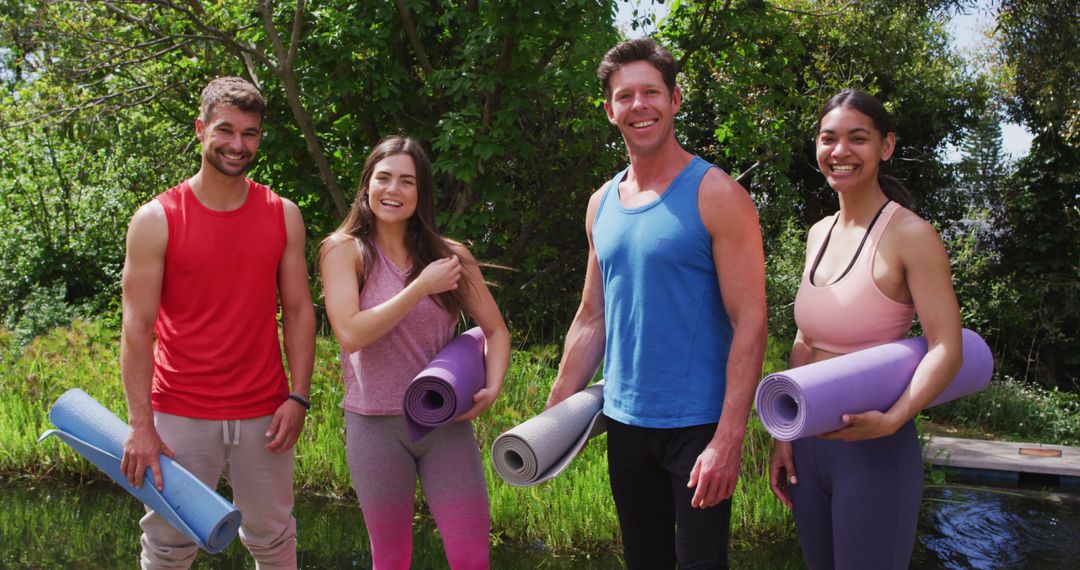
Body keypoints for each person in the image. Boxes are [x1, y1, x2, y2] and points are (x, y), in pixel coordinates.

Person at [545, 38, 767, 569]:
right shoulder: (601, 203)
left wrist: (728, 440)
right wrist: (554, 413)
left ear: (674, 100)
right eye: (625, 96)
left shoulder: (718, 195)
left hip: (697, 428)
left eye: (651, 92)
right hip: (624, 423)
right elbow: (591, 317)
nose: (639, 105)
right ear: (609, 110)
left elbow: (751, 322)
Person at [119, 76, 315, 569]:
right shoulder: (156, 219)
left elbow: (298, 311)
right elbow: (136, 328)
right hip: (179, 414)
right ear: (200, 128)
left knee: (273, 540)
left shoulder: (282, 214)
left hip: (265, 412)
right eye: (226, 130)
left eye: (250, 134)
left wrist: (299, 396)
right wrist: (141, 424)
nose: (237, 144)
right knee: (168, 544)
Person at [768, 89, 964, 569]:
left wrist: (895, 418)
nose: (840, 152)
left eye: (858, 138)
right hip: (808, 445)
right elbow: (805, 340)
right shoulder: (819, 232)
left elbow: (947, 347)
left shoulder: (911, 236)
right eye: (828, 139)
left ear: (886, 146)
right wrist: (784, 435)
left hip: (875, 447)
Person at [320, 135, 510, 570]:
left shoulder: (451, 257)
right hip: (374, 429)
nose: (393, 190)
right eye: (384, 178)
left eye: (407, 182)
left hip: (444, 427)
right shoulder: (344, 250)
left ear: (420, 193)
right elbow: (350, 334)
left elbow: (496, 331)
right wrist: (420, 286)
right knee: (391, 562)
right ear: (367, 184)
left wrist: (493, 386)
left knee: (472, 561)